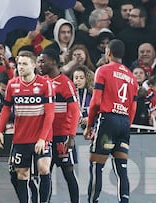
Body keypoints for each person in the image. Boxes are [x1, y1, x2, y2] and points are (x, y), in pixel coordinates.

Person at [83, 39, 138, 203]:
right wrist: (126, 125)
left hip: (107, 121)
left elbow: (96, 102)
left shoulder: (103, 70)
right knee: (121, 169)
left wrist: (89, 125)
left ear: (108, 53)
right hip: (124, 123)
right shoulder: (132, 77)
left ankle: (93, 201)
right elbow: (133, 108)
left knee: (96, 166)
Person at [0, 51, 54, 203]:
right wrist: (0, 130)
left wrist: (42, 138)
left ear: (33, 65)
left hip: (41, 137)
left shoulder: (44, 84)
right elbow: (6, 108)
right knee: (21, 174)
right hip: (21, 137)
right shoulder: (12, 84)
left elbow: (49, 114)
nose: (21, 67)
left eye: (24, 64)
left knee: (44, 168)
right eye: (19, 64)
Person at [39, 48, 80, 203]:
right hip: (45, 137)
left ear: (54, 62)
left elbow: (75, 111)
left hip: (62, 136)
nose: (40, 64)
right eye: (39, 61)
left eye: (43, 61)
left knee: (68, 172)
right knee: (44, 173)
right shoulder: (41, 82)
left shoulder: (66, 83)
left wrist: (71, 136)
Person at [72, 65, 94, 130]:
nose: (78, 80)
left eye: (81, 78)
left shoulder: (92, 94)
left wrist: (90, 119)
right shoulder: (71, 95)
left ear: (86, 79)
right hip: (74, 129)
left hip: (90, 128)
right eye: (76, 78)